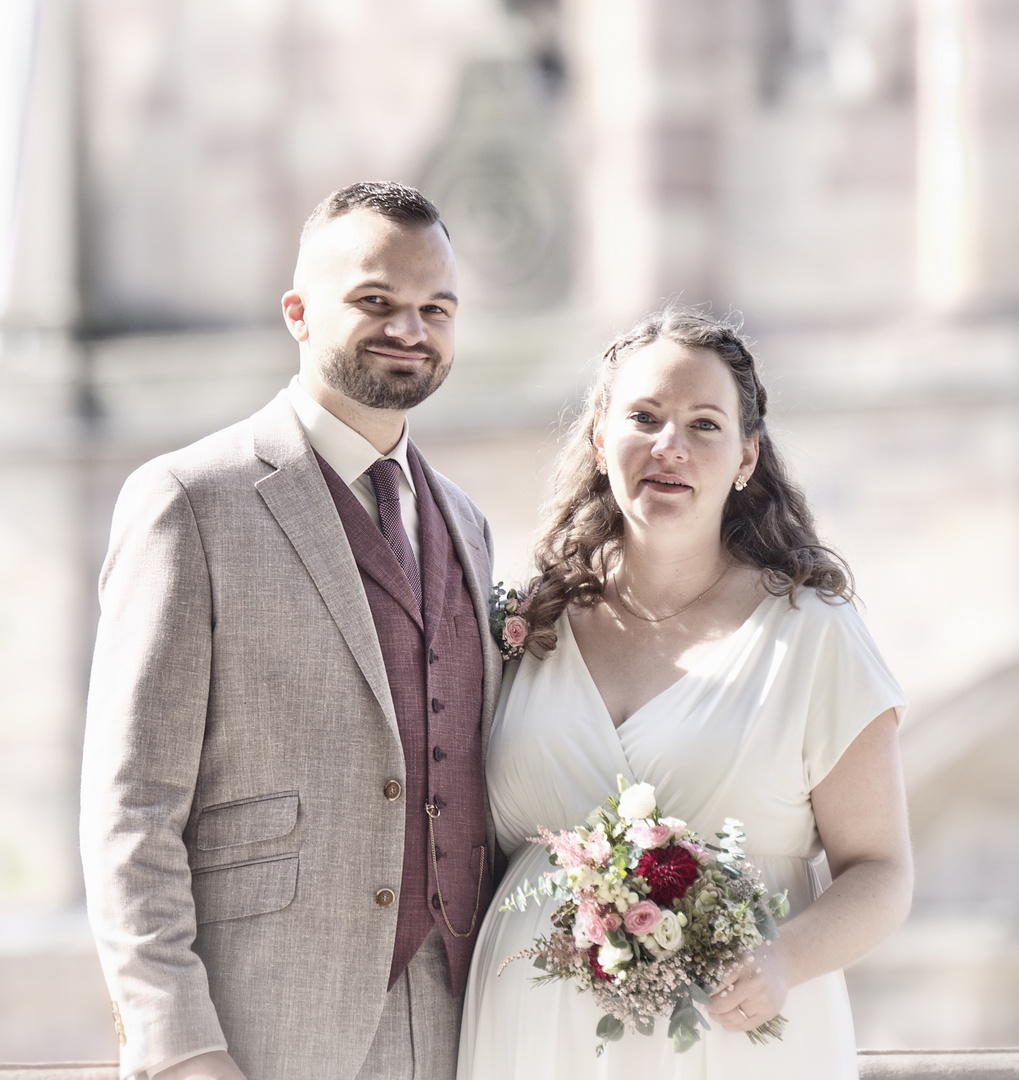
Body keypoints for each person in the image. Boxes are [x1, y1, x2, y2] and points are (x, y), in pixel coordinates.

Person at [80, 181, 503, 1080]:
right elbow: (131, 809)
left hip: (464, 1021)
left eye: (436, 308)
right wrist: (178, 1044)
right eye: (376, 301)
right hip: (262, 1025)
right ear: (299, 313)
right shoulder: (189, 501)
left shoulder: (466, 522)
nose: (410, 329)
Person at [457, 306, 913, 1079]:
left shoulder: (810, 635)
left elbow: (881, 871)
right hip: (530, 1041)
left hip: (730, 1041)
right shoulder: (527, 626)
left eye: (704, 424)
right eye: (644, 416)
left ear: (746, 457)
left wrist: (782, 962)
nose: (670, 445)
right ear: (601, 437)